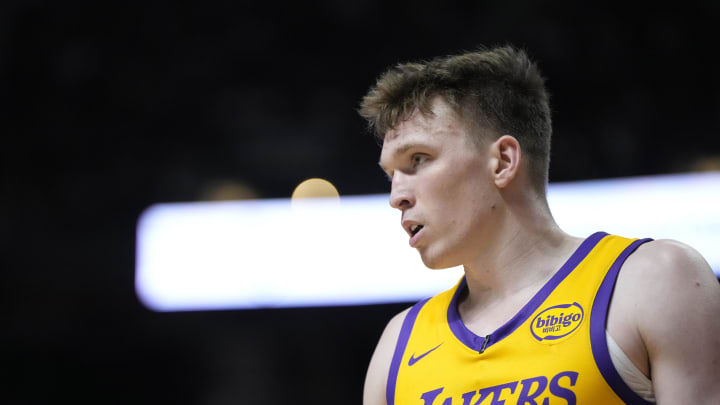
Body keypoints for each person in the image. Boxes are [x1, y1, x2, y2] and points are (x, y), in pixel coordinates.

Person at [358, 45, 720, 405]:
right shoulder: (397, 347)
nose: (397, 196)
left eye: (418, 159)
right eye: (391, 174)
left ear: (502, 161)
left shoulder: (654, 279)